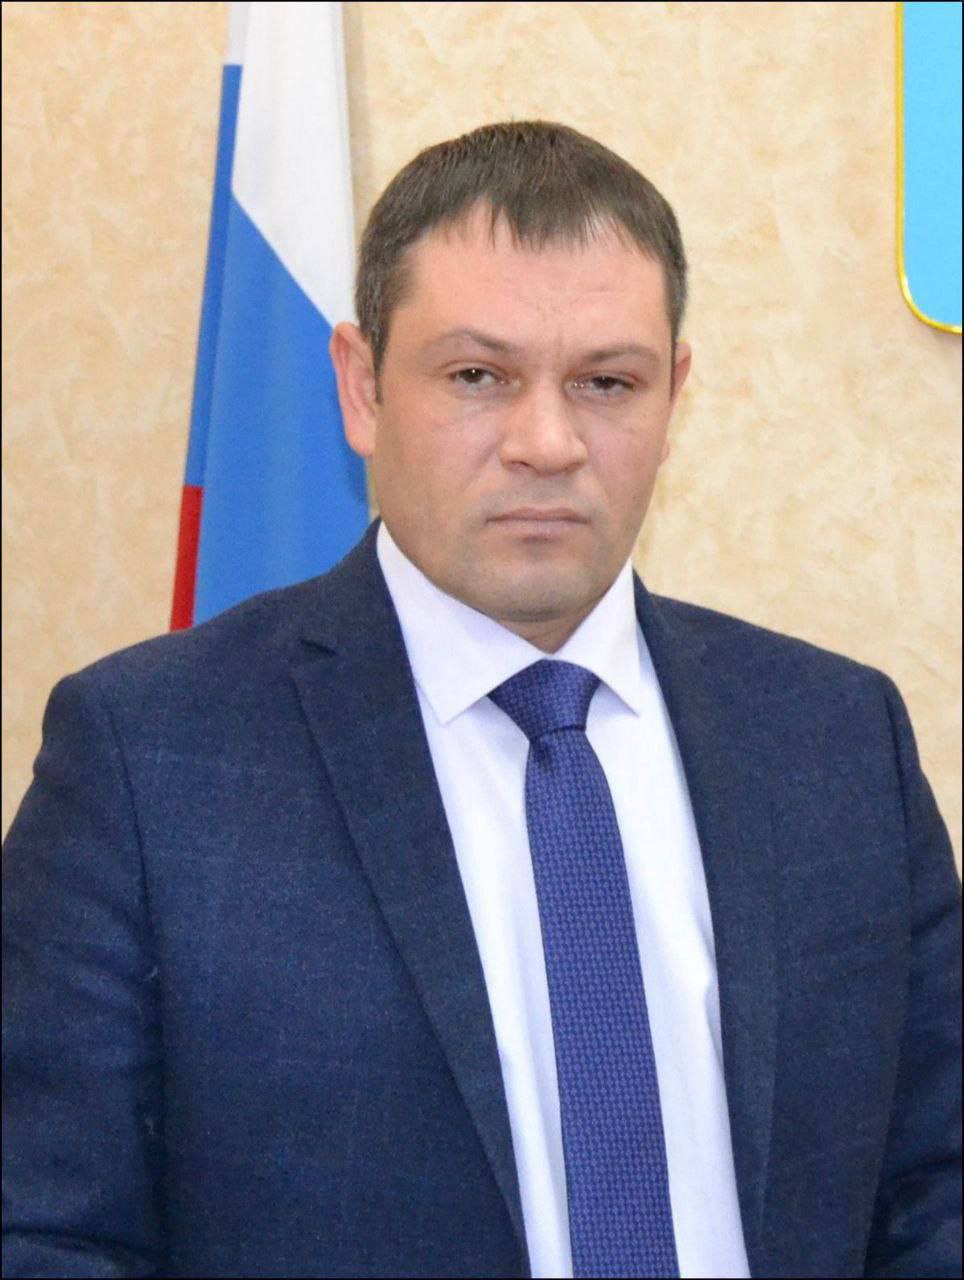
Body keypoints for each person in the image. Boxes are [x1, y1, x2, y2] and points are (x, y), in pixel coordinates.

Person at [2, 120, 961, 1280]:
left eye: (605, 382)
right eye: (476, 376)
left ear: (674, 396)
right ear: (362, 386)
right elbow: (48, 1231)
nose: (546, 442)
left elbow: (936, 1189)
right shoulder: (151, 758)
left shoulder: (837, 739)